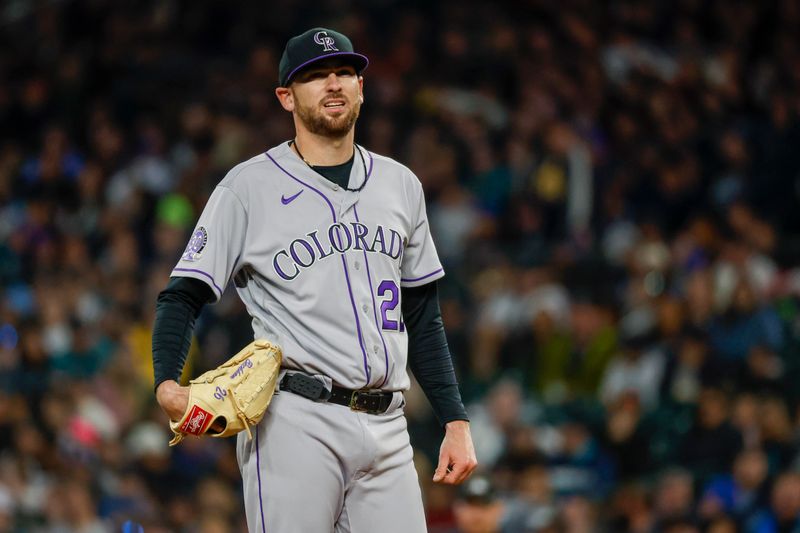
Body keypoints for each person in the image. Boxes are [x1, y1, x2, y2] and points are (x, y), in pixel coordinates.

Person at [151, 27, 477, 532]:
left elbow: (421, 314)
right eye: (315, 76)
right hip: (296, 421)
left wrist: (454, 419)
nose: (334, 84)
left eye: (345, 72)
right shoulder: (247, 187)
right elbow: (183, 294)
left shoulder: (400, 185)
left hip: (389, 425)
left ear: (362, 89)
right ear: (286, 96)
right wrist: (167, 383)